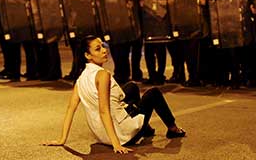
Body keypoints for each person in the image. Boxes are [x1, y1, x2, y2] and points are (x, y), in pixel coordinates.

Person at [43, 35, 186, 154]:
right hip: (122, 135)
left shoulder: (81, 78)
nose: (104, 51)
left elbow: (70, 109)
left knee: (131, 87)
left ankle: (145, 128)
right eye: (98, 49)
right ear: (88, 55)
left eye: (103, 46)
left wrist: (62, 139)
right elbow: (104, 110)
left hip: (101, 135)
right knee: (153, 93)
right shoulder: (102, 75)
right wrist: (116, 144)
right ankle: (173, 129)